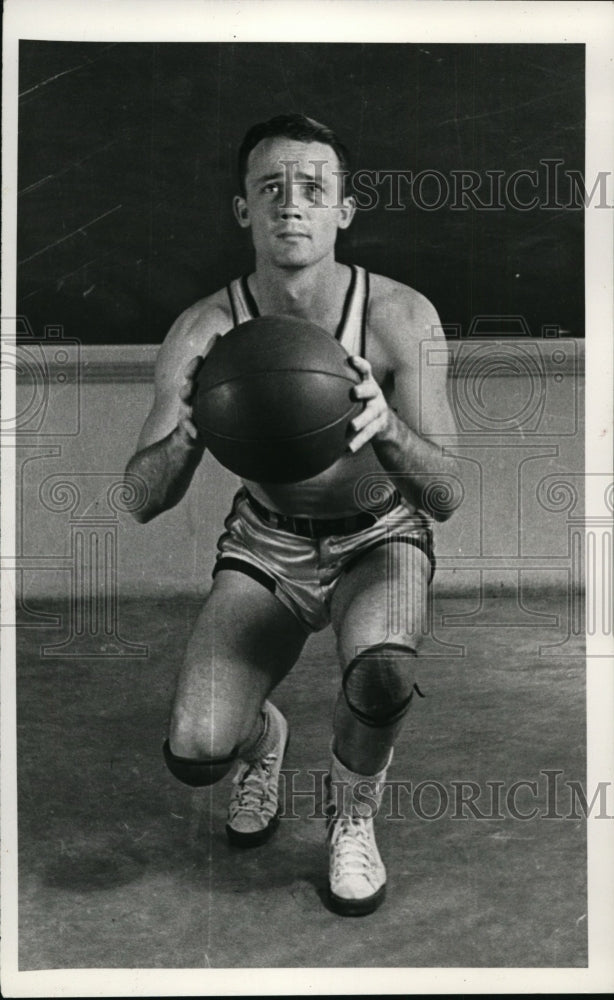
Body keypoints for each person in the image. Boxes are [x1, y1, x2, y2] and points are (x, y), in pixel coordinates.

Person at [125, 113, 459, 916]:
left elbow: (445, 494)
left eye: (314, 189)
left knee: (383, 671)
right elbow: (139, 499)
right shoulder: (205, 330)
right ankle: (265, 742)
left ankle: (351, 817)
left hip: (379, 535)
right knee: (196, 751)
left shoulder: (399, 317)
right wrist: (191, 434)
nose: (291, 206)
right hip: (270, 544)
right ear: (243, 209)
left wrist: (387, 430)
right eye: (270, 189)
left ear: (345, 208)